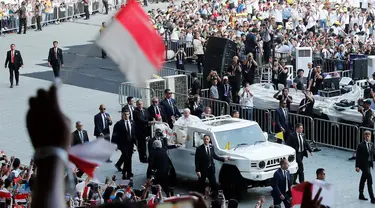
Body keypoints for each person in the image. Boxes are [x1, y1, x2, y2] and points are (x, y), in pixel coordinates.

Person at [112, 109, 136, 179]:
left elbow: (134, 133)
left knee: (130, 158)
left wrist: (136, 142)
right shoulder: (119, 124)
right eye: (125, 114)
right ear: (122, 115)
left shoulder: (132, 122)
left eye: (128, 114)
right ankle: (125, 174)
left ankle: (129, 171)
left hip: (130, 143)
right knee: (126, 158)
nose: (126, 116)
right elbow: (114, 135)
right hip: (123, 144)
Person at [356, 130, 375, 204]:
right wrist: (357, 166)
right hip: (364, 165)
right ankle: (372, 197)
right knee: (369, 181)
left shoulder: (372, 144)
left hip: (369, 164)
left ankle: (361, 194)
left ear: (370, 136)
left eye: (369, 136)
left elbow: (373, 154)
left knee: (363, 179)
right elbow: (358, 156)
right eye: (366, 136)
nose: (367, 137)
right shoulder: (361, 145)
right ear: (364, 136)